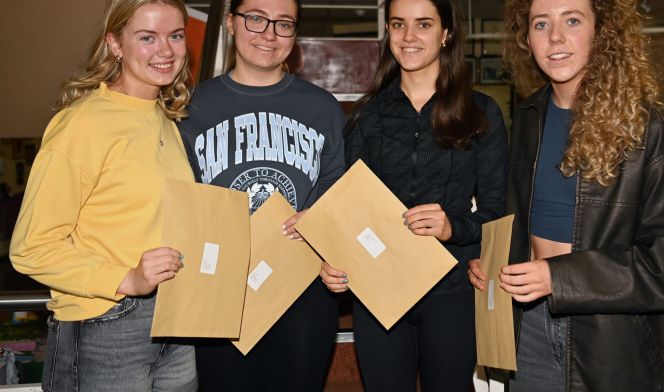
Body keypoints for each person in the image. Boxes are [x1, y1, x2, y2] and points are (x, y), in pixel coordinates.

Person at [468, 0, 664, 390]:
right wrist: (495, 265)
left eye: (572, 20)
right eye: (541, 24)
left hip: (612, 338)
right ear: (526, 39)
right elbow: (521, 220)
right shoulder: (529, 118)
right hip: (532, 325)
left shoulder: (647, 129)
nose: (555, 37)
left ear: (602, 31)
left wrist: (556, 277)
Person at [9, 0, 197, 390]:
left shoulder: (164, 117)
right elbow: (31, 247)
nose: (166, 51)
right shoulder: (82, 125)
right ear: (115, 44)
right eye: (147, 37)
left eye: (175, 35)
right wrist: (125, 278)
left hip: (174, 320)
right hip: (105, 324)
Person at [320, 0, 508, 390]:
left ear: (446, 34)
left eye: (423, 24)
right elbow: (349, 212)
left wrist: (452, 226)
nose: (409, 36)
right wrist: (333, 260)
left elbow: (497, 213)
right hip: (378, 291)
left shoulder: (481, 113)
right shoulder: (367, 116)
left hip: (452, 291)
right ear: (387, 31)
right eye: (398, 24)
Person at [176, 0, 345, 390]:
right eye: (256, 18)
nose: (269, 33)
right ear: (232, 24)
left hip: (303, 288)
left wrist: (319, 221)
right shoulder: (190, 109)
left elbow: (336, 192)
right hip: (221, 291)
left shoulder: (323, 108)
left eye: (283, 24)